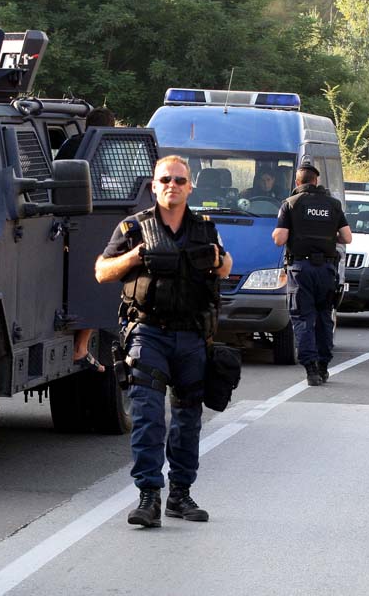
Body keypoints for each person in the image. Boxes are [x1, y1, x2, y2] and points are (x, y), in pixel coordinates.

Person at [95, 155, 233, 528]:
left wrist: (217, 259)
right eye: (165, 179)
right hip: (148, 332)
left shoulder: (205, 228)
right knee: (148, 416)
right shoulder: (133, 227)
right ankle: (148, 495)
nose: (172, 185)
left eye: (180, 180)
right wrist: (136, 255)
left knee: (188, 419)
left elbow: (226, 267)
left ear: (190, 187)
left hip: (191, 335)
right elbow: (101, 271)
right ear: (153, 186)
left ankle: (180, 495)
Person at [272, 159, 351, 386]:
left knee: (303, 319)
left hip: (301, 271)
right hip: (326, 270)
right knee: (324, 317)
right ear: (316, 181)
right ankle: (324, 364)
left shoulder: (291, 203)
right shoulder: (333, 205)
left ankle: (311, 369)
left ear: (297, 182)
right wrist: (328, 238)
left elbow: (280, 238)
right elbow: (346, 238)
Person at [58, 106, 117, 372]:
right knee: (98, 280)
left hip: (62, 218)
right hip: (91, 222)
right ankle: (82, 345)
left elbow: (54, 172)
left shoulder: (71, 144)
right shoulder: (106, 146)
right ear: (109, 127)